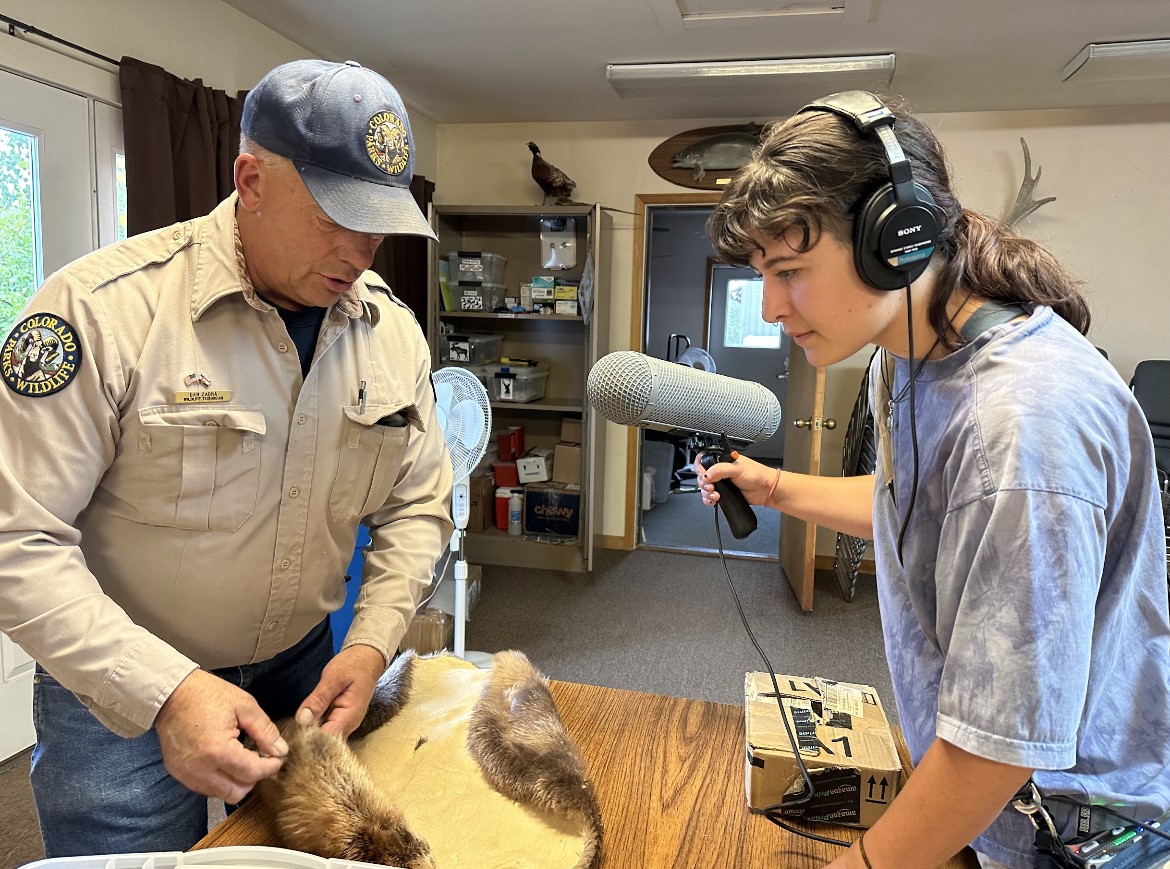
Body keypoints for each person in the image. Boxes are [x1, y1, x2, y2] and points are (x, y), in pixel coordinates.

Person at [696, 91, 1170, 869]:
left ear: (897, 240)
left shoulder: (1021, 427)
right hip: (983, 813)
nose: (773, 304)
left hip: (1071, 838)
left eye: (789, 271)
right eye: (762, 274)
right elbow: (918, 509)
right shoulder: (910, 353)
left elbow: (995, 752)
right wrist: (776, 486)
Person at [0, 59, 453, 856]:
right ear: (250, 178)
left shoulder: (393, 332)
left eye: (378, 223)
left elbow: (417, 505)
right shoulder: (103, 312)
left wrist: (374, 638)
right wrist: (166, 690)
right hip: (119, 695)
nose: (361, 250)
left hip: (307, 672)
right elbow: (16, 538)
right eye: (334, 217)